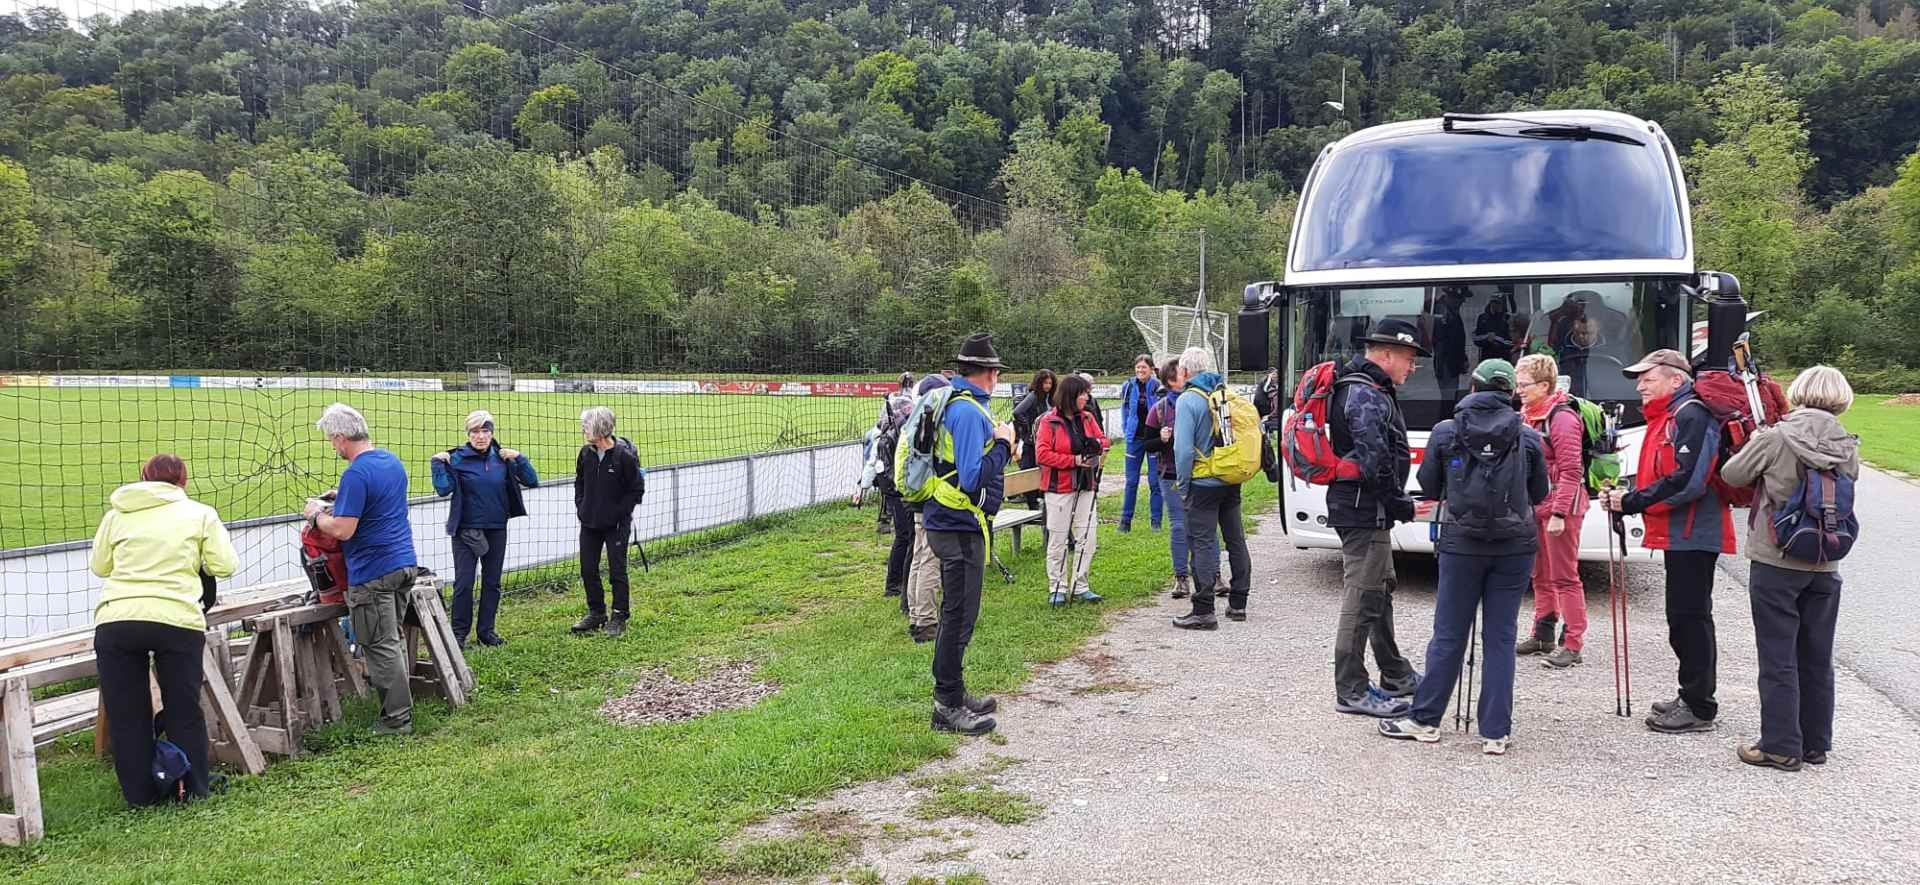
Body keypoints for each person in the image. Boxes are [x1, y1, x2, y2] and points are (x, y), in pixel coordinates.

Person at [1379, 360, 1548, 755]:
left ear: (1472, 387)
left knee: (1449, 634)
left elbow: (1429, 485)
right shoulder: (1527, 437)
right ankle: (1494, 733)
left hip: (1462, 542)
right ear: (1510, 392)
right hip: (1515, 545)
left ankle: (1425, 720)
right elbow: (1539, 493)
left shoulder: (1445, 431)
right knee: (1502, 637)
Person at [1720, 365, 1860, 771]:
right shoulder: (1848, 444)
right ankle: (1815, 742)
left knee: (1777, 654)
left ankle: (1780, 744)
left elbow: (1733, 474)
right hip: (1825, 558)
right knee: (1817, 654)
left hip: (1777, 556)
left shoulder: (1777, 436)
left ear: (1799, 392)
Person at [89, 454, 238, 805]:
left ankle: (140, 795)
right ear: (183, 481)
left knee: (127, 712)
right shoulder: (199, 514)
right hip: (176, 618)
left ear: (143, 477)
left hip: (117, 619)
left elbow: (100, 566)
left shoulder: (116, 515)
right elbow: (225, 564)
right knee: (183, 708)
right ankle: (192, 788)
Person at [1603, 349, 1736, 734]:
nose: (1640, 385)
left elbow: (1689, 480)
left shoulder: (1690, 414)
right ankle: (1692, 695)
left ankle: (1699, 706)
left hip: (1694, 531)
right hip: (1684, 531)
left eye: (1648, 377)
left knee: (1690, 619)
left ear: (1676, 379)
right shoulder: (1672, 415)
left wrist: (1631, 501)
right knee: (1683, 618)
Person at [1327, 319, 1426, 716]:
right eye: (1409, 358)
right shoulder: (1364, 393)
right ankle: (1350, 689)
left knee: (1380, 589)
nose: (1412, 367)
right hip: (1363, 509)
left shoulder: (1369, 389)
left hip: (1370, 507)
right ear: (1386, 354)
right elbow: (1374, 460)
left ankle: (1394, 672)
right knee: (1363, 595)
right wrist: (1402, 504)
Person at [922, 332, 1015, 735]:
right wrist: (1005, 445)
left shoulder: (961, 405)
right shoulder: (968, 413)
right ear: (990, 373)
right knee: (958, 616)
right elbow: (972, 477)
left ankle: (955, 693)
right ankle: (946, 706)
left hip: (955, 521)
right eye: (996, 371)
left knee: (958, 614)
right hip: (957, 523)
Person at [306, 403, 419, 736]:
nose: (332, 447)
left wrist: (315, 514)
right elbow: (379, 499)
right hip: (403, 564)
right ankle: (401, 708)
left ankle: (397, 720)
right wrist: (344, 495)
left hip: (374, 572)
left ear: (341, 438)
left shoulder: (355, 472)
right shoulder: (390, 461)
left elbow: (342, 530)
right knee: (392, 639)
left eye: (331, 440)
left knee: (379, 644)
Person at [431, 410, 539, 648]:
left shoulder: (503, 458)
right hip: (466, 531)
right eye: (475, 431)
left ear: (492, 432)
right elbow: (443, 488)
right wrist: (437, 464)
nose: (480, 436)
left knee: (493, 582)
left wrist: (520, 457)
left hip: (496, 527)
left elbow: (532, 480)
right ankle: (458, 634)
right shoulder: (456, 458)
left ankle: (486, 631)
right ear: (468, 434)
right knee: (464, 583)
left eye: (485, 431)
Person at [1514, 354, 1590, 668]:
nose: (1518, 390)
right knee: (1540, 573)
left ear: (1544, 385)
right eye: (1517, 384)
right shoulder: (1528, 413)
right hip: (1538, 505)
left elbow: (1572, 470)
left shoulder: (1562, 418)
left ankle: (1572, 643)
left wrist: (1559, 514)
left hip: (1562, 508)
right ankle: (1543, 633)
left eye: (1524, 385)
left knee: (1565, 576)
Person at [1170, 346, 1254, 630]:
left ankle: (1204, 610)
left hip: (1203, 482)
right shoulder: (1225, 394)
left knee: (1203, 543)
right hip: (1230, 477)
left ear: (1184, 371)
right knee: (1235, 539)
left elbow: (1182, 451)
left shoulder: (1188, 400)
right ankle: (1239, 602)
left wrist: (1183, 486)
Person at [1035, 372, 1111, 606]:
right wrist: (1074, 460)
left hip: (1086, 485)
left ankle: (1081, 585)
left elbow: (1104, 440)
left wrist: (1097, 445)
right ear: (1070, 396)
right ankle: (1057, 586)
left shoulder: (1087, 418)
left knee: (1087, 536)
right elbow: (1042, 454)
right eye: (1082, 393)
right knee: (1058, 538)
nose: (1086, 398)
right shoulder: (1049, 421)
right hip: (1059, 488)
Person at [573, 407, 645, 637]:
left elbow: (636, 489)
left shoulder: (624, 456)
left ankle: (619, 615)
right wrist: (582, 507)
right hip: (589, 523)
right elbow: (580, 482)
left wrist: (618, 513)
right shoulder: (586, 454)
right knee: (588, 569)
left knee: (617, 570)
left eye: (586, 425)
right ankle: (596, 613)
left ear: (600, 428)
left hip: (616, 525)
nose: (583, 429)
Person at [902, 373, 952, 643]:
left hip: (916, 496)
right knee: (930, 559)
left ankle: (915, 615)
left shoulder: (914, 420)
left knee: (920, 558)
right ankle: (925, 621)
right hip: (930, 497)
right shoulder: (930, 422)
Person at [1141, 358, 1192, 598]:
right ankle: (1181, 577)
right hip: (1170, 474)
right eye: (1184, 373)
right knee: (1179, 526)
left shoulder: (1199, 403)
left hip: (1200, 473)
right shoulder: (1159, 409)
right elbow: (1148, 445)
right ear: (1172, 380)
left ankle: (1213, 574)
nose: (1188, 376)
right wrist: (1161, 439)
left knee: (1205, 526)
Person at [1117, 354, 1164, 532]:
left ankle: (1156, 522)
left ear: (1151, 370)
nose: (1140, 371)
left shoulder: (1158, 387)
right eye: (1138, 368)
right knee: (1131, 481)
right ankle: (1125, 522)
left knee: (1155, 481)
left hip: (1153, 439)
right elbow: (1125, 409)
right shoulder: (1128, 386)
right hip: (1134, 439)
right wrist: (1126, 429)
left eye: (1144, 367)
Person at [1429, 287, 1471, 411]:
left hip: (1451, 363)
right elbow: (1444, 342)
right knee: (1448, 400)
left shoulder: (1451, 312)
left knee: (1451, 398)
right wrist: (1445, 366)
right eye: (1460, 300)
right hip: (1446, 363)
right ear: (1452, 297)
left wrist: (1462, 359)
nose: (1461, 303)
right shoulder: (1442, 312)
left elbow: (1457, 340)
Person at [1012, 369, 1056, 476]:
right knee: (1028, 472)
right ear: (1039, 382)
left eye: (1050, 383)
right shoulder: (1033, 396)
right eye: (1045, 383)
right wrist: (1029, 427)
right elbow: (1017, 412)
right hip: (1032, 442)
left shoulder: (1051, 398)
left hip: (1047, 441)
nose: (1048, 386)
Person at [1474, 296, 1518, 365]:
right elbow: (1476, 339)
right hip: (1487, 359)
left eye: (1500, 303)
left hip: (1504, 359)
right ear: (1491, 303)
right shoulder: (1482, 318)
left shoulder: (1508, 318)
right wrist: (1487, 339)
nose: (1497, 306)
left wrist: (1499, 342)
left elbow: (1513, 342)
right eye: (1495, 303)